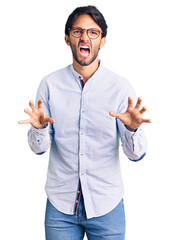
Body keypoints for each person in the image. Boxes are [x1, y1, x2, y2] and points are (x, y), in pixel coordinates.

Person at [18, 5, 151, 240]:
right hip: (60, 207)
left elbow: (136, 155)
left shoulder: (120, 88)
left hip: (106, 207)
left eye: (93, 32)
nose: (85, 37)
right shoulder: (49, 85)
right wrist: (38, 129)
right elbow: (38, 149)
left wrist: (132, 129)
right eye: (78, 31)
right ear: (67, 38)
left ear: (103, 41)